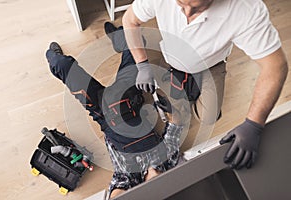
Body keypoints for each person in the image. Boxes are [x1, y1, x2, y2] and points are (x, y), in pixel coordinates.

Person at [122, 0, 288, 170]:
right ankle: (177, 110)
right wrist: (142, 65)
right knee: (174, 111)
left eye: (196, 8)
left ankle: (186, 98)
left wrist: (254, 125)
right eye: (180, 4)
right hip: (173, 60)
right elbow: (130, 20)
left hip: (211, 64)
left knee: (209, 117)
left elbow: (275, 66)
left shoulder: (245, 8)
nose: (186, 13)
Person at [45, 22, 183, 199]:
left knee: (60, 64)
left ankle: (53, 56)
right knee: (135, 41)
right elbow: (176, 126)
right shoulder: (168, 161)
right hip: (129, 100)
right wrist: (170, 109)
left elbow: (115, 194)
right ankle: (120, 39)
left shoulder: (128, 180)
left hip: (101, 109)